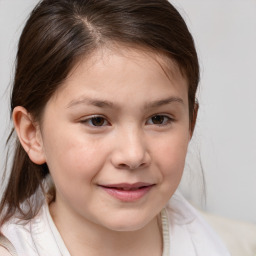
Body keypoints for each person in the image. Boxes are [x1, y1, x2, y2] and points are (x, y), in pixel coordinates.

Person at [0, 0, 230, 255]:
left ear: (190, 125)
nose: (133, 156)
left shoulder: (204, 242)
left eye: (158, 119)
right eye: (96, 120)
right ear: (33, 134)